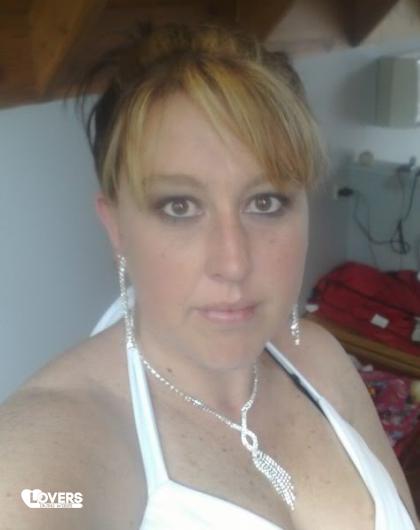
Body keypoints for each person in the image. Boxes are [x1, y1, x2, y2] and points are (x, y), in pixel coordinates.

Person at [0, 21, 418, 530]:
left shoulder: (320, 359)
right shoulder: (53, 453)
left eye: (265, 202)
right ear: (116, 227)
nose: (233, 263)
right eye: (179, 206)